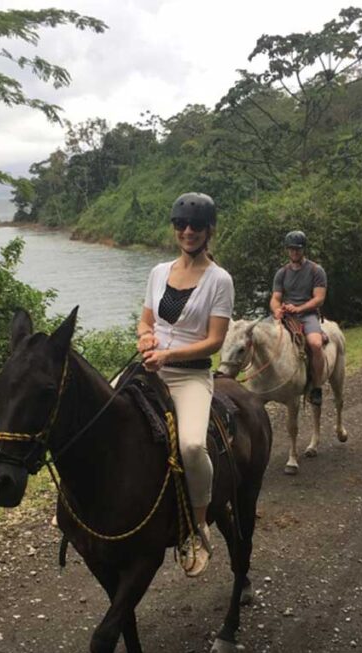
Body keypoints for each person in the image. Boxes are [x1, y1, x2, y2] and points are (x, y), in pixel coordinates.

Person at [136, 192, 234, 577]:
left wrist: (168, 356)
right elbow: (146, 321)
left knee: (192, 445)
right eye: (181, 225)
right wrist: (145, 339)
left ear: (209, 231)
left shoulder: (219, 279)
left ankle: (198, 522)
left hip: (190, 374)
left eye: (196, 226)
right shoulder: (159, 272)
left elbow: (215, 341)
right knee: (99, 412)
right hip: (151, 368)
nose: (188, 232)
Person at [269, 230, 328, 405]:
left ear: (303, 250)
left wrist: (299, 308)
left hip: (307, 315)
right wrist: (276, 310)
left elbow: (319, 298)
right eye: (291, 249)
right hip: (286, 314)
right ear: (287, 250)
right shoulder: (282, 273)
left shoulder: (316, 270)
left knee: (316, 344)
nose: (294, 252)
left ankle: (316, 386)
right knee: (261, 337)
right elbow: (275, 298)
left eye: (298, 249)